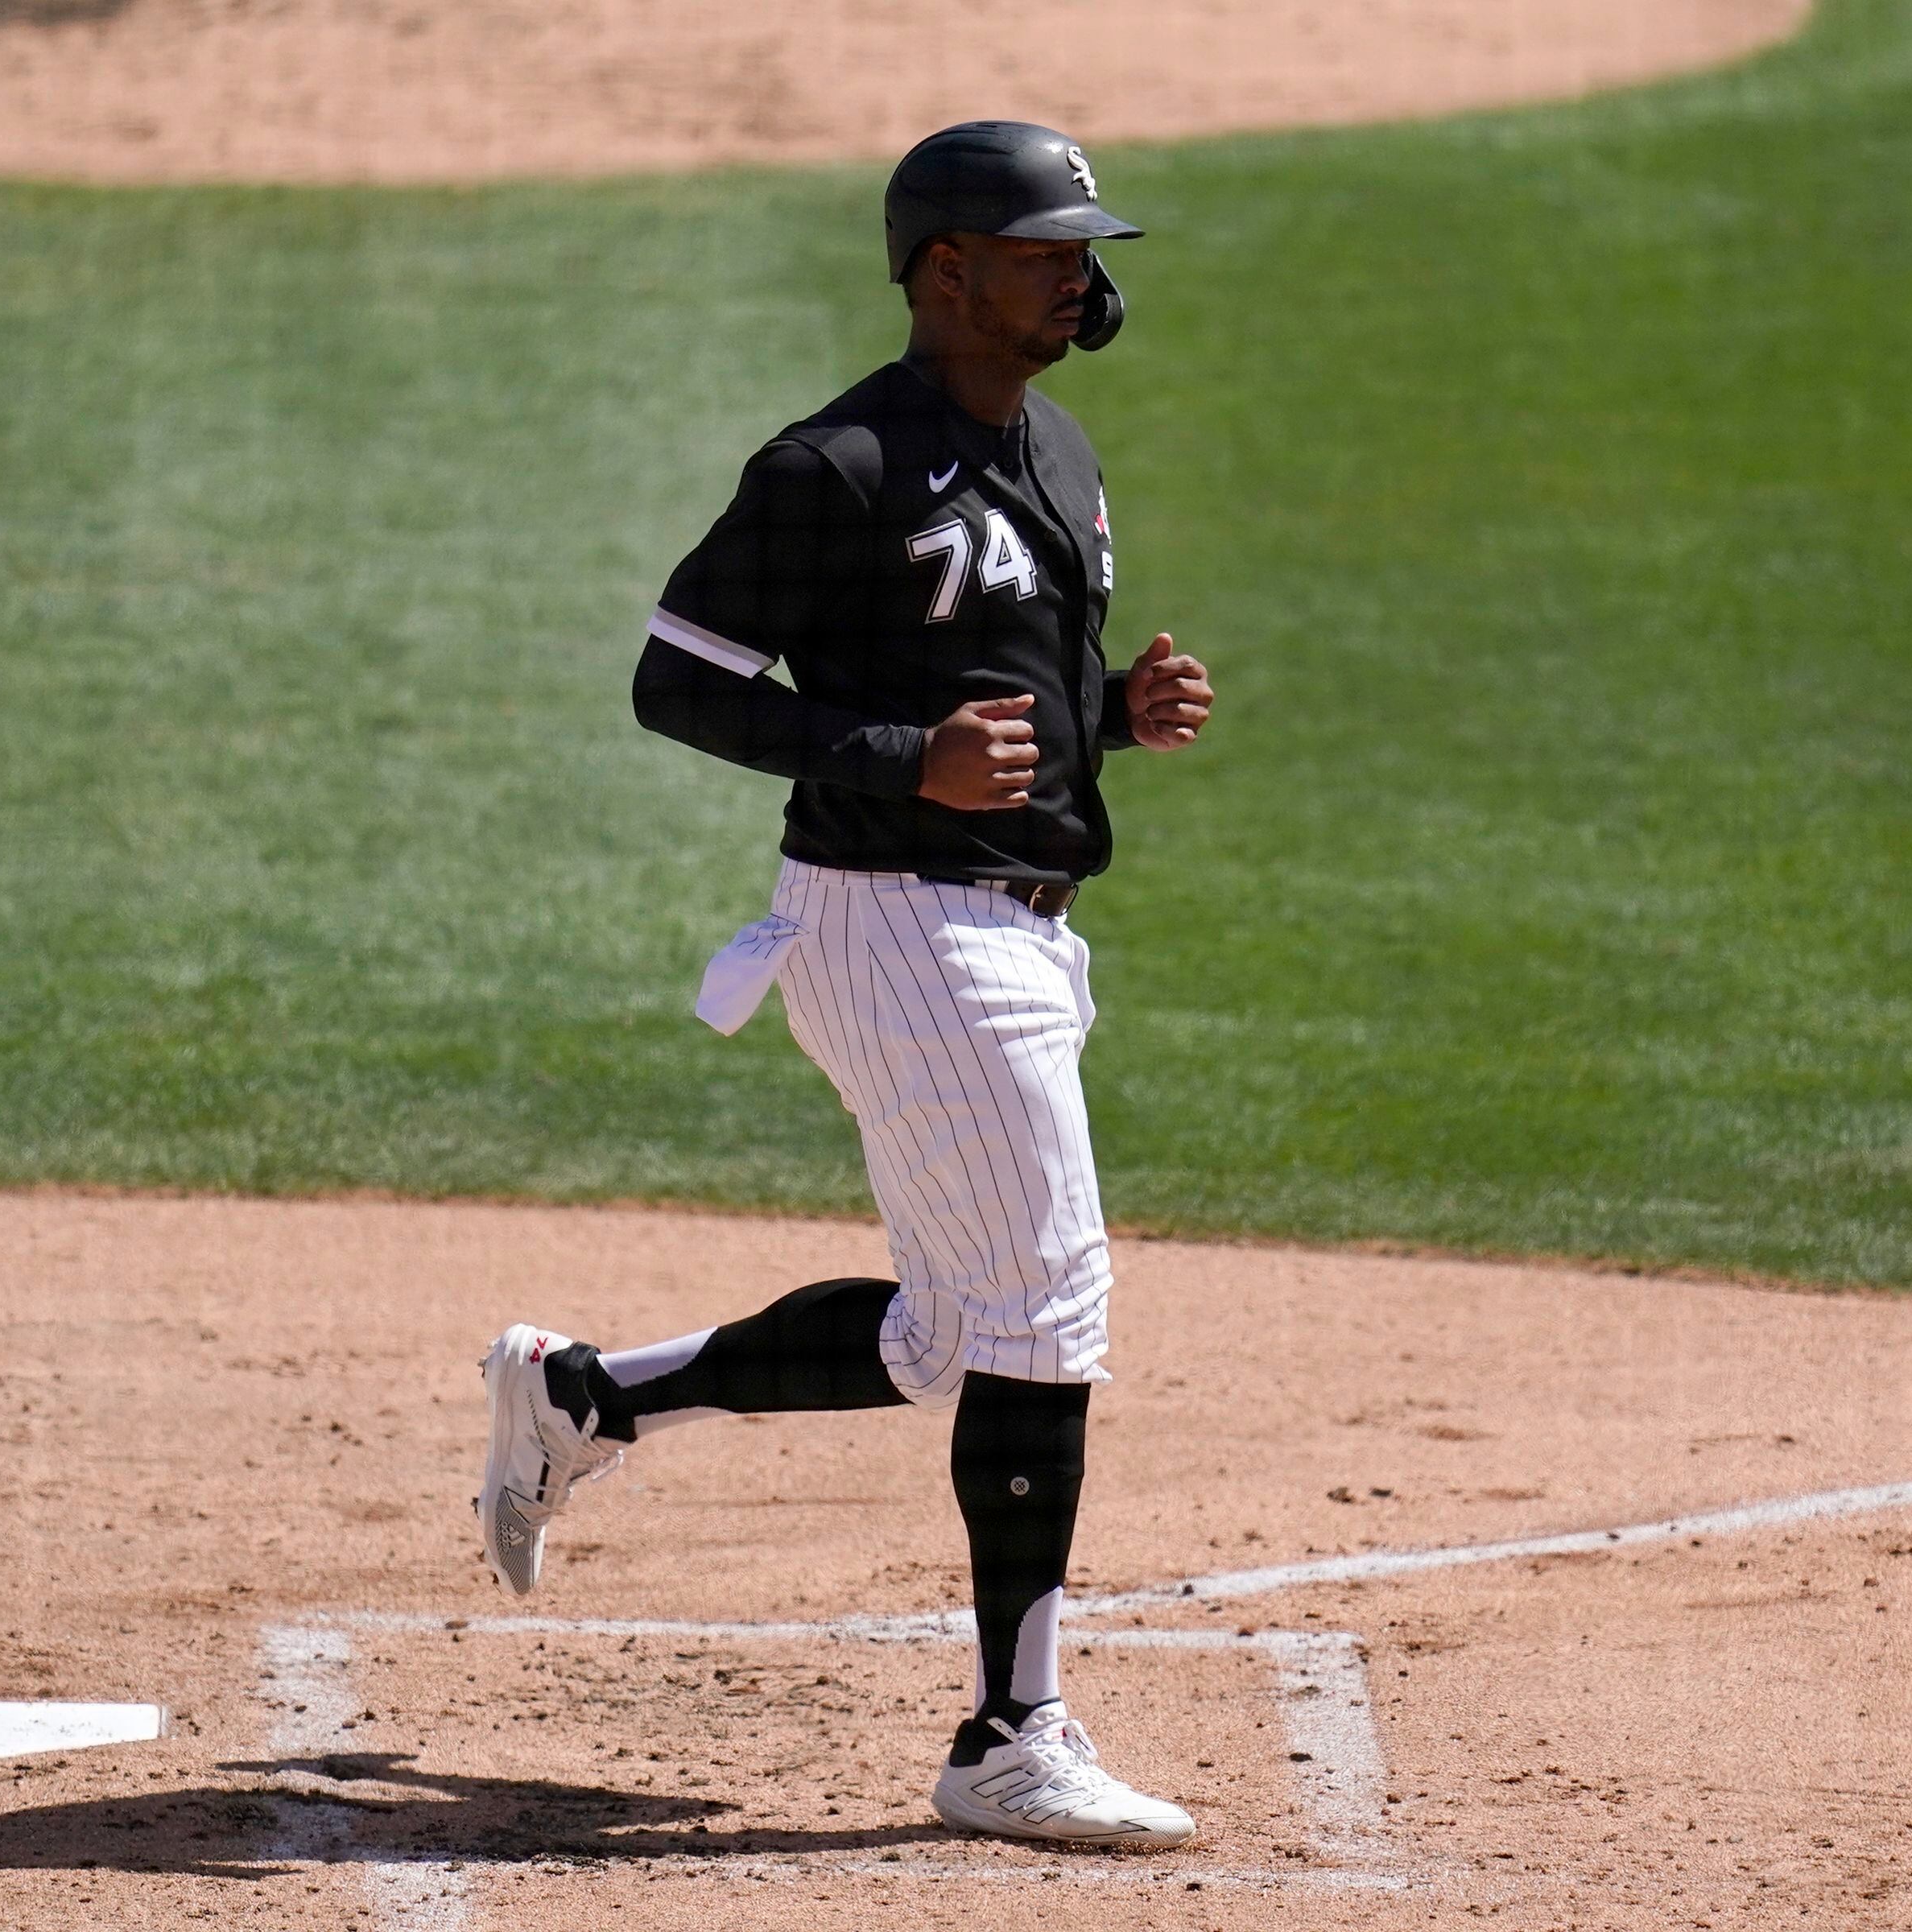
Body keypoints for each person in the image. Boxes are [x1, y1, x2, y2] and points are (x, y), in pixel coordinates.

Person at [475, 121, 1216, 1848]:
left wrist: (1116, 718)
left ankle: (587, 1395)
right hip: (903, 924)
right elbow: (679, 680)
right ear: (945, 271)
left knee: (951, 1334)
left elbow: (996, 692)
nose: (1085, 276)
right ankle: (1012, 1734)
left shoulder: (1060, 446)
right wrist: (901, 756)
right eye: (1048, 251)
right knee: (1048, 1320)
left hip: (1017, 928)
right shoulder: (841, 466)